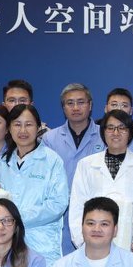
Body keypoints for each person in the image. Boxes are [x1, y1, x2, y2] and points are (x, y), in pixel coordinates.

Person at [68, 110, 133, 259]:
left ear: (130, 133)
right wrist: (82, 241)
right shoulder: (86, 165)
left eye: (122, 128)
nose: (116, 133)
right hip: (92, 244)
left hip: (131, 246)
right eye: (110, 128)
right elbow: (77, 205)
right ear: (103, 132)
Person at [0, 104, 69, 264]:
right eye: (17, 125)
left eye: (29, 124)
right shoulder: (3, 162)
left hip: (42, 244)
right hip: (7, 242)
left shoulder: (51, 160)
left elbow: (58, 204)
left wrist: (16, 217)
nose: (23, 131)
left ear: (38, 127)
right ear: (9, 128)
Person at [43, 83, 105, 254]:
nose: (75, 107)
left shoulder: (105, 135)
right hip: (60, 215)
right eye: (70, 103)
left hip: (96, 213)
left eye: (81, 102)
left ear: (90, 105)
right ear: (63, 108)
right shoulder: (49, 139)